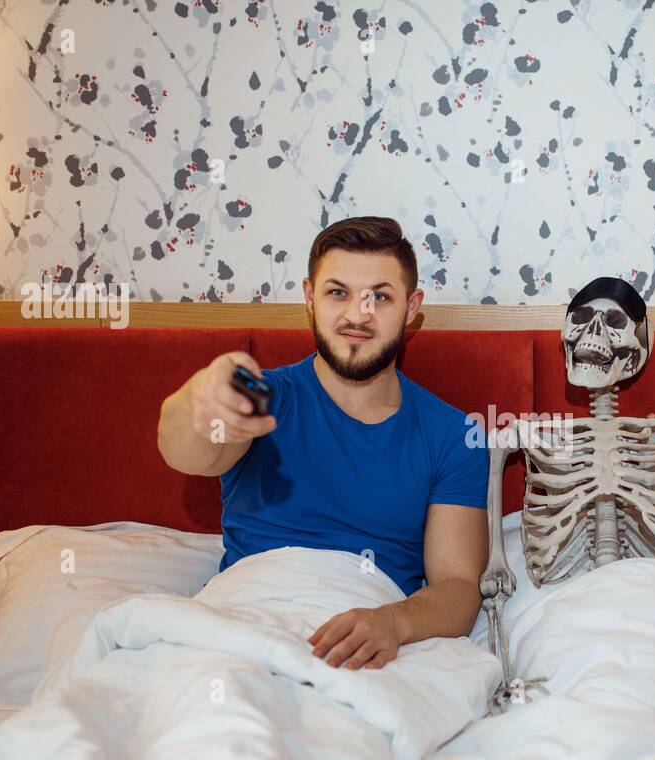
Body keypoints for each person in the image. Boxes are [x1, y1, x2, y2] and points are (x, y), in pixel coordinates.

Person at [157, 216, 489, 671]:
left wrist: (393, 623)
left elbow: (458, 587)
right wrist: (201, 396)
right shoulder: (260, 399)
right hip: (242, 619)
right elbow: (186, 452)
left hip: (366, 629)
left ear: (412, 307)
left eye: (380, 296)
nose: (357, 315)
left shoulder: (456, 434)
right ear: (310, 297)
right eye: (338, 293)